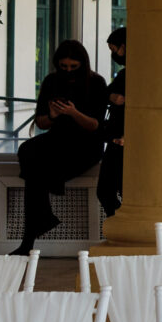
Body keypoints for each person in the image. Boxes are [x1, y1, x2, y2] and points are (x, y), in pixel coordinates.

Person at [14, 38, 109, 255]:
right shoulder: (51, 82)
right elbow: (41, 123)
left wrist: (73, 113)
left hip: (86, 144)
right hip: (58, 139)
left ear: (82, 65)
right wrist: (53, 115)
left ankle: (28, 243)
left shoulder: (96, 83)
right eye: (63, 67)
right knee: (27, 151)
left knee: (36, 176)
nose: (68, 71)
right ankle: (42, 220)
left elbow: (95, 126)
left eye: (73, 68)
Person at [96, 27, 128, 219]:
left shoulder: (132, 75)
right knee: (107, 191)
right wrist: (113, 96)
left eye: (113, 49)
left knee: (111, 190)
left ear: (123, 47)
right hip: (116, 140)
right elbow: (104, 94)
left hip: (122, 142)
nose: (113, 54)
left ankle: (120, 224)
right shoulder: (125, 74)